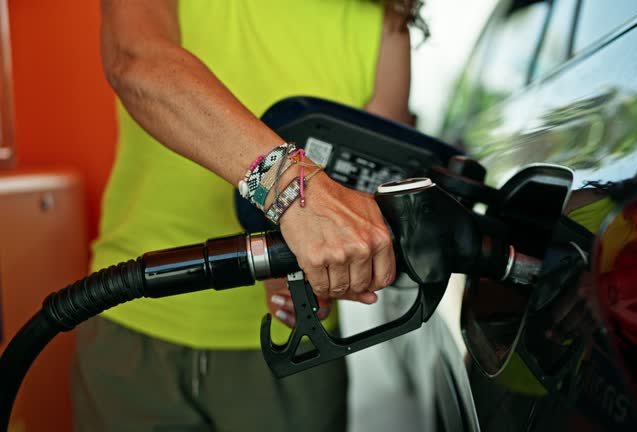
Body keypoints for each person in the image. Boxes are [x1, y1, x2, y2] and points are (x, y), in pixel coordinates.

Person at [72, 1, 425, 430]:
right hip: (131, 318)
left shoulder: (383, 23)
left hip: (292, 350)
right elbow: (137, 63)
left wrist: (316, 261)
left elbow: (363, 204)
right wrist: (291, 194)